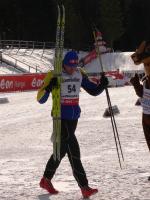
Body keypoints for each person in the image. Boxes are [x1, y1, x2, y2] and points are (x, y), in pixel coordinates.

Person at [37, 50, 109, 198]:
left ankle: (46, 179)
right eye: (69, 66)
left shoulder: (79, 73)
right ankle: (84, 187)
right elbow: (40, 99)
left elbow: (93, 91)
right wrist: (50, 87)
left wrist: (102, 85)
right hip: (60, 118)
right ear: (63, 64)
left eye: (75, 66)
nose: (72, 69)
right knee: (74, 151)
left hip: (74, 118)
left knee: (61, 152)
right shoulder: (54, 74)